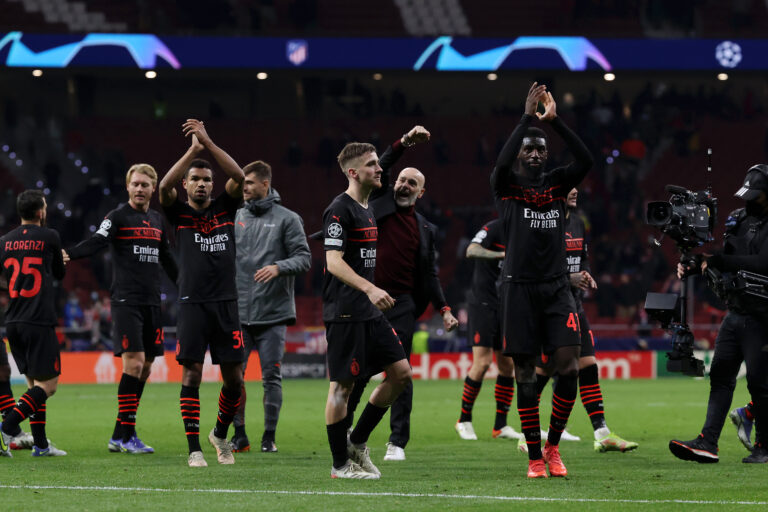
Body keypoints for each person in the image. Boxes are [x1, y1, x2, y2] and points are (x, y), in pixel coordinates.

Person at [491, 82, 593, 478]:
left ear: (547, 155)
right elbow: (499, 166)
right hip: (517, 289)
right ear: (520, 153)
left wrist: (555, 122)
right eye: (528, 149)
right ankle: (534, 455)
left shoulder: (557, 184)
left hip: (556, 288)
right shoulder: (507, 187)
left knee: (569, 368)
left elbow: (586, 159)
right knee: (526, 375)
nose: (535, 154)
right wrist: (525, 118)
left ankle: (553, 447)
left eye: (540, 149)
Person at [343, 126, 458, 462]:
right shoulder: (376, 203)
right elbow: (384, 162)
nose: (405, 185)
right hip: (367, 299)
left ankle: (396, 442)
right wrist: (404, 142)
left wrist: (444, 308)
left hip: (402, 305)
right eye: (402, 180)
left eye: (412, 183)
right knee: (358, 371)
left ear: (421, 192)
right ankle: (346, 430)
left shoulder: (426, 229)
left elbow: (430, 274)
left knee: (400, 372)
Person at [63, 163, 177, 454]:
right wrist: (70, 253)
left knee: (146, 366)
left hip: (152, 302)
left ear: (153, 189)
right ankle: (128, 436)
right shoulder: (117, 217)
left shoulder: (157, 220)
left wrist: (188, 286)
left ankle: (119, 434)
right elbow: (97, 241)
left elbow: (167, 258)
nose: (139, 189)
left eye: (145, 184)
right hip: (127, 301)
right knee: (134, 364)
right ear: (127, 187)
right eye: (135, 184)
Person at [322, 142, 413, 479]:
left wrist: (402, 142)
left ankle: (357, 442)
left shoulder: (367, 207)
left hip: (369, 312)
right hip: (345, 311)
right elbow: (333, 262)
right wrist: (370, 288)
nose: (379, 169)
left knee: (401, 374)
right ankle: (339, 465)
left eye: (378, 163)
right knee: (341, 388)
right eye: (372, 164)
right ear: (353, 172)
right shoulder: (339, 209)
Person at [158, 119, 246, 468]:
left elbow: (239, 176)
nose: (201, 184)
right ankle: (194, 448)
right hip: (192, 304)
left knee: (235, 380)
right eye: (194, 179)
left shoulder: (225, 207)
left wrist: (207, 143)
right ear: (186, 184)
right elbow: (163, 186)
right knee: (191, 373)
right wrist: (191, 151)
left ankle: (220, 435)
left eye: (207, 179)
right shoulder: (177, 213)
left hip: (226, 302)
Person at [670, 164, 768, 464]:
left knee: (759, 384)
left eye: (756, 195)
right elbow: (724, 263)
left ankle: (764, 446)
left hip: (762, 317)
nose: (749, 200)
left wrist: (719, 260)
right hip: (735, 312)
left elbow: (763, 263)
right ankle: (708, 442)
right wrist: (697, 264)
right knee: (721, 377)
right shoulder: (739, 221)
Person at [533, 188, 638, 453]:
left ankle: (602, 433)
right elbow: (534, 269)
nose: (575, 190)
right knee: (543, 370)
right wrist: (569, 278)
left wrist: (586, 273)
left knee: (588, 365)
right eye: (569, 186)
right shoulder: (542, 223)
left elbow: (583, 258)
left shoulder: (579, 222)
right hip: (549, 307)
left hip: (574, 305)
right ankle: (528, 431)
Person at [230, 160, 311, 453]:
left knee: (271, 377)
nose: (244, 188)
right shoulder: (235, 217)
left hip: (273, 314)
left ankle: (269, 437)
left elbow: (304, 258)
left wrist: (279, 267)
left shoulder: (288, 219)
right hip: (239, 313)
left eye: (249, 183)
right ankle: (239, 434)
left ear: (265, 184)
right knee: (233, 377)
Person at [0, 189, 67, 457]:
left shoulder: (4, 241)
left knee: (33, 386)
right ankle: (6, 427)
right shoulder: (50, 236)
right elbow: (59, 274)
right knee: (48, 386)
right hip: (38, 319)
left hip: (13, 320)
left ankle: (40, 445)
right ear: (40, 212)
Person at [454, 218, 522, 442]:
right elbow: (471, 250)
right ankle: (464, 420)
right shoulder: (494, 228)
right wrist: (501, 255)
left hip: (507, 306)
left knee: (507, 365)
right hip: (482, 304)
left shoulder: (524, 230)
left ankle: (500, 426)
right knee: (482, 363)